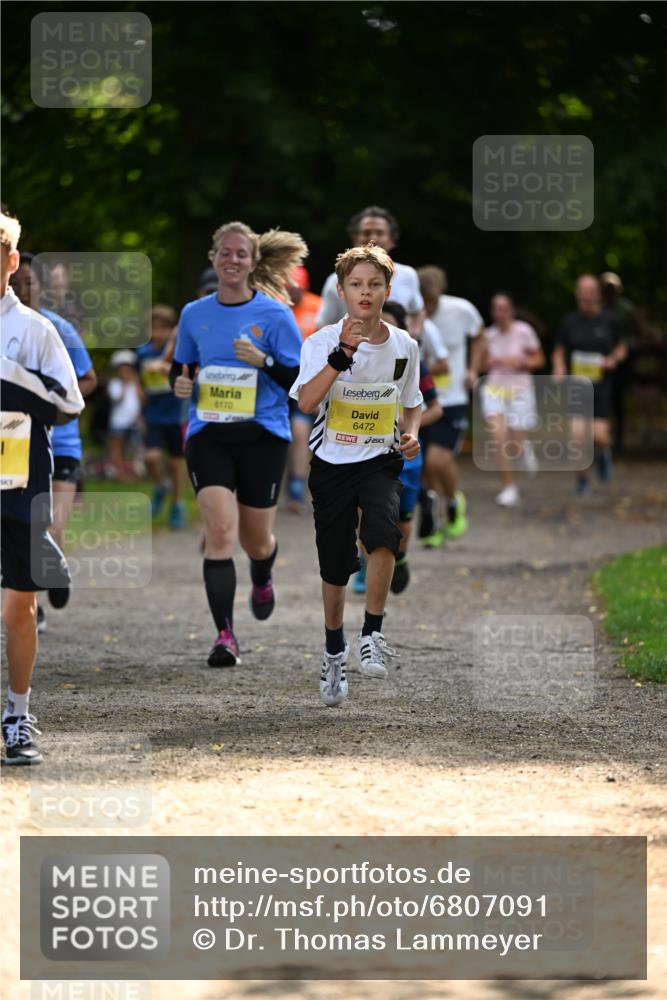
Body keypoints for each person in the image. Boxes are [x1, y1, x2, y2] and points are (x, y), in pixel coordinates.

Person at [291, 244, 422, 708]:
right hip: (331, 462)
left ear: (388, 289)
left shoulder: (405, 345)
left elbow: (413, 403)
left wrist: (411, 435)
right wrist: (344, 352)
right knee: (335, 563)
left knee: (385, 534)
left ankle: (372, 633)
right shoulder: (321, 341)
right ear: (342, 291)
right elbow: (306, 403)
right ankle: (333, 651)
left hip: (380, 459)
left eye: (374, 285)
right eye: (356, 285)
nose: (365, 293)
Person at [172, 221, 306, 667]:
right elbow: (182, 366)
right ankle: (225, 636)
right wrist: (181, 384)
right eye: (225, 253)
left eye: (241, 254)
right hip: (209, 434)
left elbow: (299, 382)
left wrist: (262, 360)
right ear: (213, 258)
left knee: (255, 540)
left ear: (253, 262)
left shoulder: (275, 315)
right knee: (219, 534)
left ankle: (264, 569)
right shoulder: (194, 313)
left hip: (262, 436)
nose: (232, 260)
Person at [1, 209, 84, 765]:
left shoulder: (35, 329)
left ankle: (17, 715)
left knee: (18, 609)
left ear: (10, 262)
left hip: (18, 480)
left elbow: (69, 402)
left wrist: (13, 375)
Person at [10, 252, 97, 627]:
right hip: (12, 443)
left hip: (60, 443)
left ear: (43, 288)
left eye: (31, 283)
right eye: (18, 283)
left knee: (48, 525)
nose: (24, 289)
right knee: (18, 525)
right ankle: (35, 605)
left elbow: (89, 380)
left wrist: (51, 397)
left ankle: (52, 567)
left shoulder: (57, 328)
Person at [418, 265, 485, 546]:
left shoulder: (461, 310)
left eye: (432, 302)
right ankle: (434, 522)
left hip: (453, 398)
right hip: (420, 401)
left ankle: (453, 500)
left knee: (438, 460)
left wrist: (473, 369)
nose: (429, 308)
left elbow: (479, 334)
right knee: (423, 466)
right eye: (425, 303)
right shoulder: (411, 317)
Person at [553, 274, 627, 494]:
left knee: (599, 436)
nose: (585, 297)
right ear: (577, 295)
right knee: (577, 438)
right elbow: (559, 350)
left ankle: (603, 454)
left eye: (589, 293)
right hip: (577, 387)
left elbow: (622, 347)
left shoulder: (610, 320)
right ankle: (582, 479)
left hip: (601, 386)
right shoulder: (569, 322)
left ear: (597, 294)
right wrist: (559, 367)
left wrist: (613, 360)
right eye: (581, 293)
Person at [479, 293, 544, 507]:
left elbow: (539, 359)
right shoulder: (487, 336)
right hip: (495, 390)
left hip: (520, 390)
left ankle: (523, 447)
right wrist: (487, 362)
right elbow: (480, 366)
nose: (500, 313)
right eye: (496, 308)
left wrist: (522, 362)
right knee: (499, 439)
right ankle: (509, 487)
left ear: (511, 310)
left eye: (504, 308)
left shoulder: (524, 331)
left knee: (514, 444)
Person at [316, 206, 424, 334]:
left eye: (380, 233)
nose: (373, 239)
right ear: (355, 238)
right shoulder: (337, 279)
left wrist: (413, 338)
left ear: (392, 240)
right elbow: (323, 324)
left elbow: (417, 311)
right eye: (366, 233)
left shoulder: (408, 275)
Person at [136, 305, 187, 529]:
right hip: (154, 414)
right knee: (152, 458)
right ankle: (160, 486)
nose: (157, 334)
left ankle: (177, 504)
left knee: (176, 464)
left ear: (169, 331)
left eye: (162, 329)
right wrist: (138, 391)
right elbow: (138, 378)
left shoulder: (177, 354)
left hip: (176, 415)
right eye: (153, 329)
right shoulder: (143, 354)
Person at [285, 266, 323, 512]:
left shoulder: (317, 306)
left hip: (311, 379)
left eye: (297, 287)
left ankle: (297, 484)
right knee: (287, 433)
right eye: (289, 287)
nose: (293, 291)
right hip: (282, 379)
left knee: (300, 432)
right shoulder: (278, 308)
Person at [106, 350, 144, 482]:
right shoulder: (114, 384)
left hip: (133, 421)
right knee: (117, 447)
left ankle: (130, 471)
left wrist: (135, 382)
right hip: (118, 421)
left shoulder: (134, 383)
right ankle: (119, 472)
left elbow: (141, 399)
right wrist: (124, 385)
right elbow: (117, 399)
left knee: (133, 447)